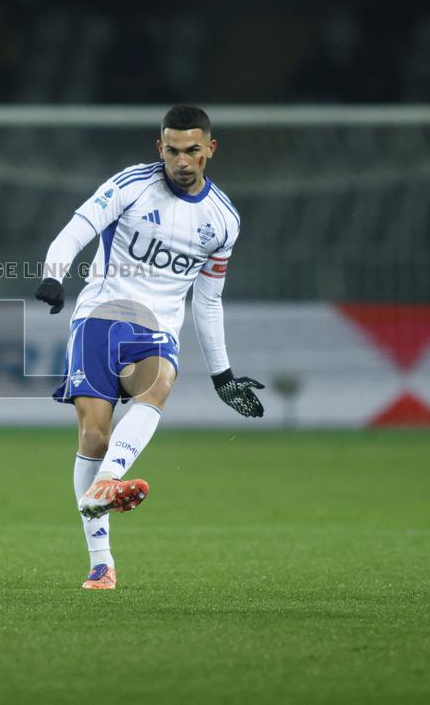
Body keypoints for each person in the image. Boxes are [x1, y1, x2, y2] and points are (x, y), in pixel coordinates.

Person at [34, 105, 264, 590]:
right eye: (173, 150)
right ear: (160, 147)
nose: (182, 161)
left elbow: (208, 301)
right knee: (93, 438)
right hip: (99, 316)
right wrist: (54, 276)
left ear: (210, 151)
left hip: (156, 329)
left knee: (158, 383)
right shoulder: (132, 185)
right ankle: (101, 562)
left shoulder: (223, 221)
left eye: (192, 151)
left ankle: (108, 481)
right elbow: (79, 228)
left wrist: (222, 375)